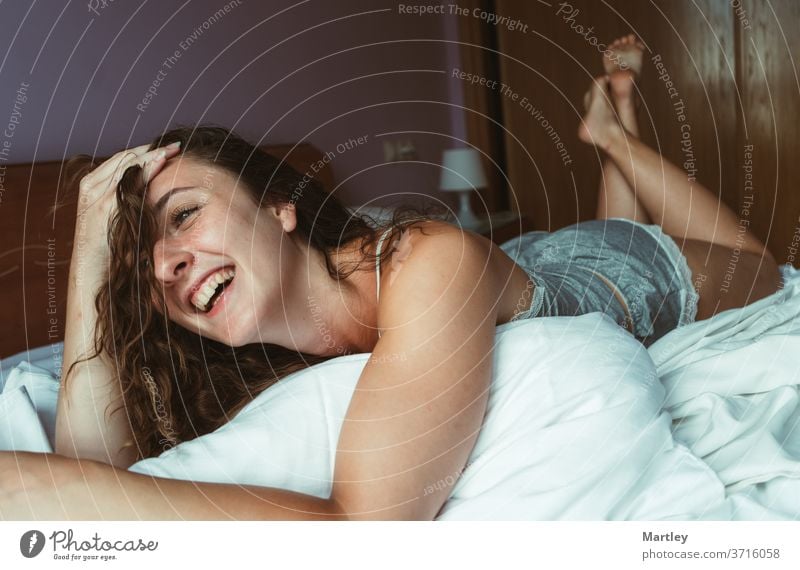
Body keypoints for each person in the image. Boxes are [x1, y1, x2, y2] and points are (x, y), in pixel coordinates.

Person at [0, 36, 781, 520]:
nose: (165, 267)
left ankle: (614, 137)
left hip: (617, 277)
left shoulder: (427, 259)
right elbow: (90, 479)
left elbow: (371, 524)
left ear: (280, 209)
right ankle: (612, 143)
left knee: (758, 268)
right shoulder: (231, 367)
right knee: (590, 229)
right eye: (141, 271)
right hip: (523, 272)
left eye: (181, 217)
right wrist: (92, 252)